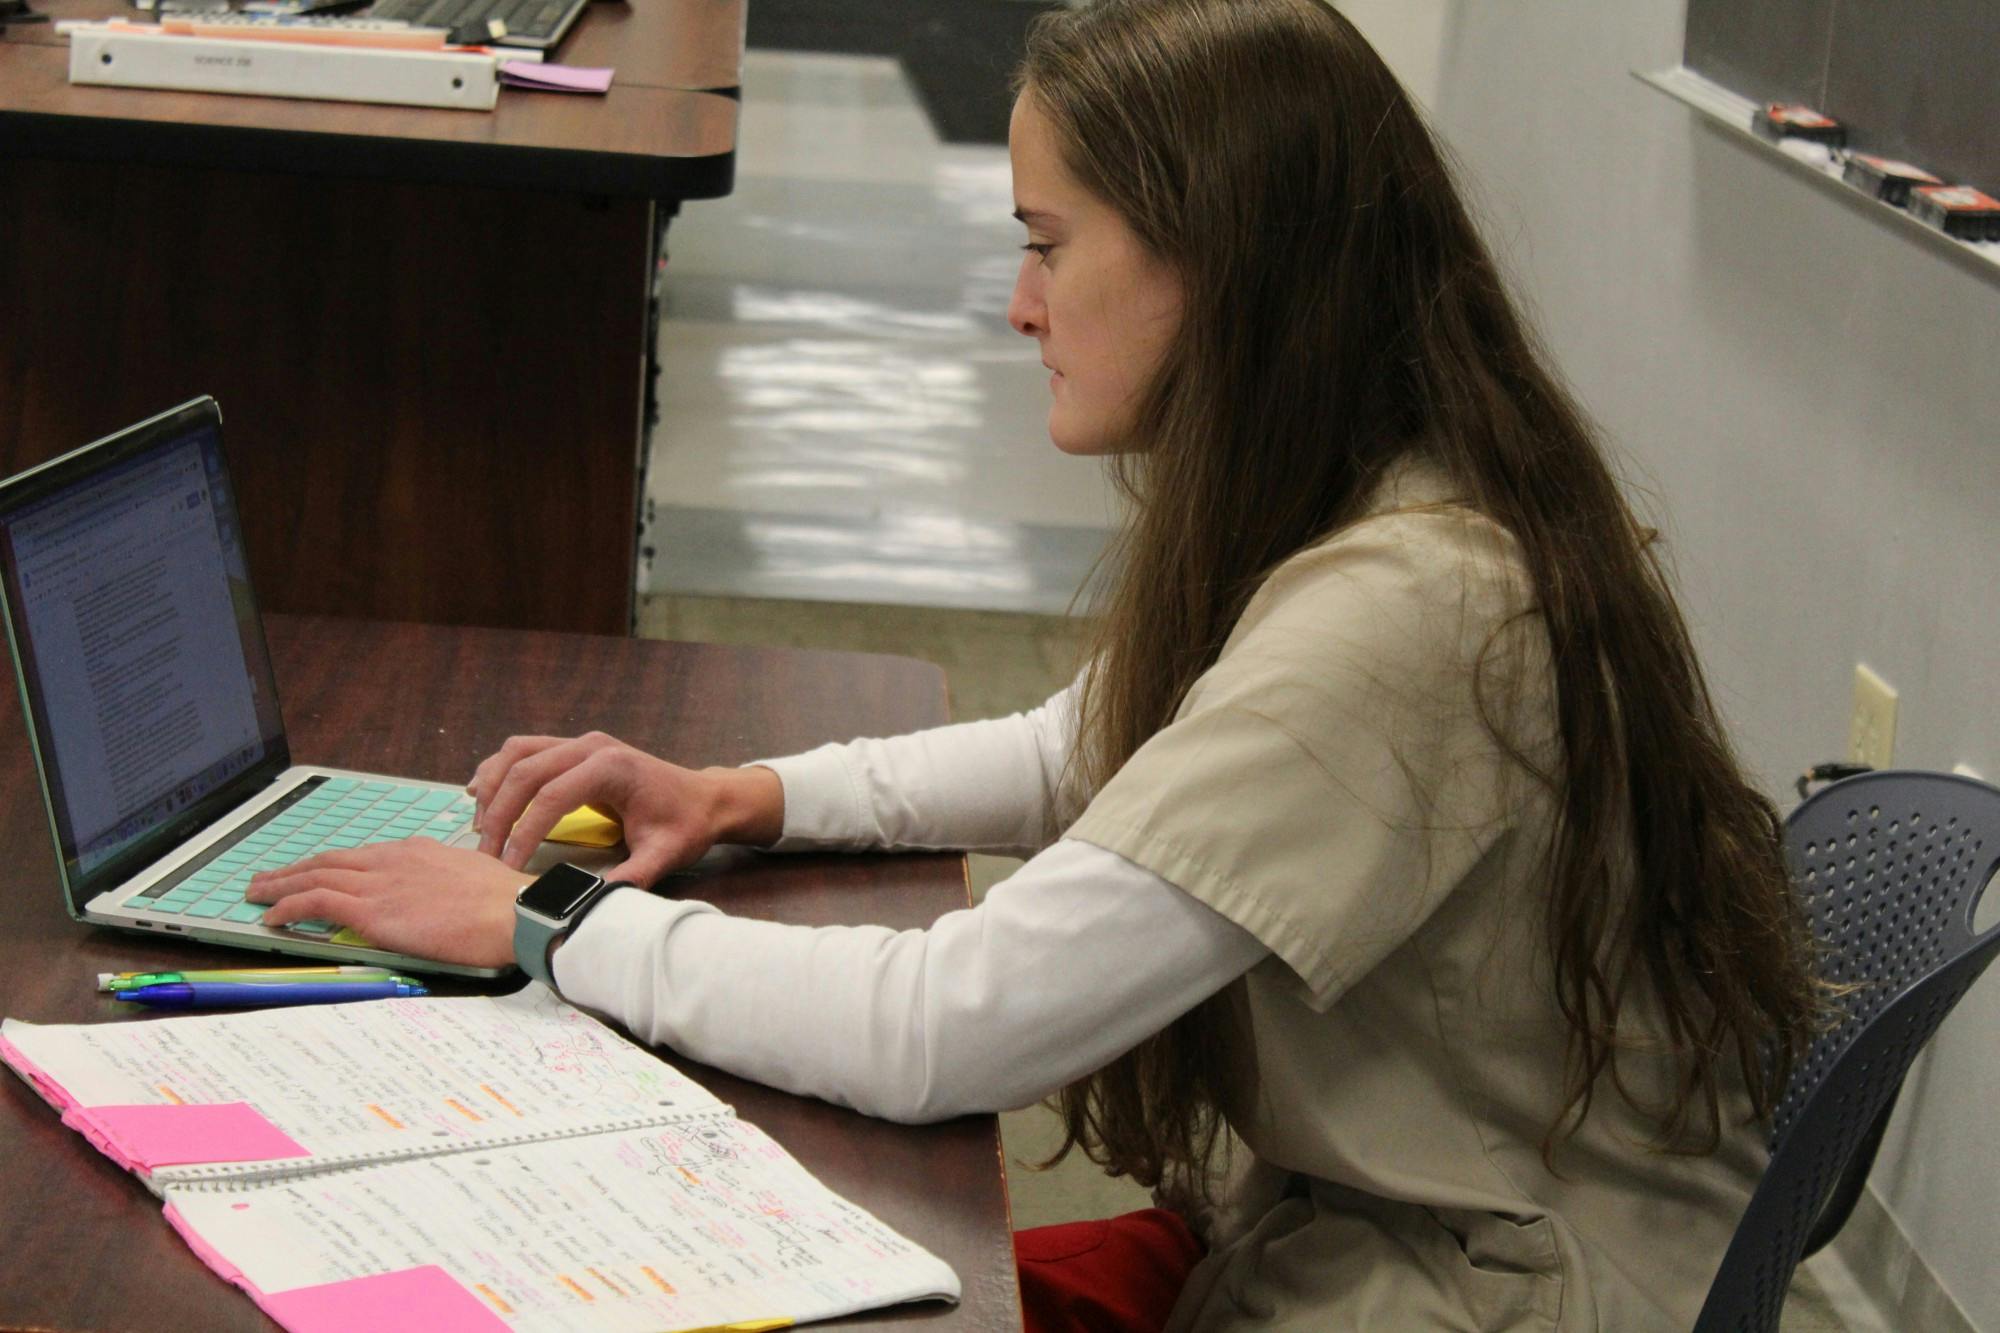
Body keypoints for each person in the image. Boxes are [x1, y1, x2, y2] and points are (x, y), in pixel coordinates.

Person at [249, 1, 1824, 1328]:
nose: (1019, 306)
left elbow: (953, 1027)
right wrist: (742, 793)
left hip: (1485, 1293)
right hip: (1371, 1228)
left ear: (1220, 260)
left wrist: (545, 919)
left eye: (1049, 245)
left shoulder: (1406, 616)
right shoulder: (1387, 485)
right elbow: (1088, 744)